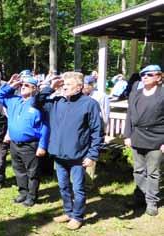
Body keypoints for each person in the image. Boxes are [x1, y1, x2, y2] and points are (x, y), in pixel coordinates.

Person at [35, 72, 103, 230]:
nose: (64, 87)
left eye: (68, 85)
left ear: (79, 87)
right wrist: (49, 88)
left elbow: (97, 131)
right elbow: (36, 102)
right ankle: (68, 211)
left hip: (78, 156)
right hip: (58, 154)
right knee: (63, 186)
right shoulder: (57, 102)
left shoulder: (89, 103)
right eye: (63, 84)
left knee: (78, 188)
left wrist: (93, 154)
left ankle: (77, 216)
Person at [0, 74, 48, 207]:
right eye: (22, 85)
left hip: (30, 144)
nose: (23, 87)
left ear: (35, 89)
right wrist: (10, 85)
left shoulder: (38, 104)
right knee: (18, 170)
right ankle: (23, 192)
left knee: (32, 172)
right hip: (14, 144)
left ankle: (32, 196)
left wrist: (42, 146)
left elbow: (45, 127)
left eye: (27, 85)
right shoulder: (14, 100)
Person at [124, 64, 164, 216]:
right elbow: (130, 115)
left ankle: (151, 202)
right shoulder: (136, 92)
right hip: (137, 137)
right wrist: (127, 135)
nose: (145, 77)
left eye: (149, 74)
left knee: (153, 173)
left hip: (157, 138)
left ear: (159, 77)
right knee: (138, 171)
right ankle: (140, 198)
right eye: (143, 75)